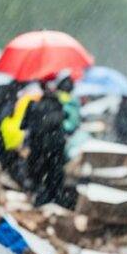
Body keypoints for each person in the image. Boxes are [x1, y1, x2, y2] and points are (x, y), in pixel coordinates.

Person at [21, 76, 67, 207]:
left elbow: (24, 125)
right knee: (53, 179)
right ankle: (51, 202)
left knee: (35, 177)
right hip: (55, 150)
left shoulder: (33, 104)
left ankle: (35, 202)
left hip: (38, 148)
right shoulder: (59, 105)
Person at [52, 70, 81, 136]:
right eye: (65, 82)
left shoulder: (73, 99)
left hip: (67, 132)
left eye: (69, 81)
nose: (68, 84)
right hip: (65, 133)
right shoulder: (58, 98)